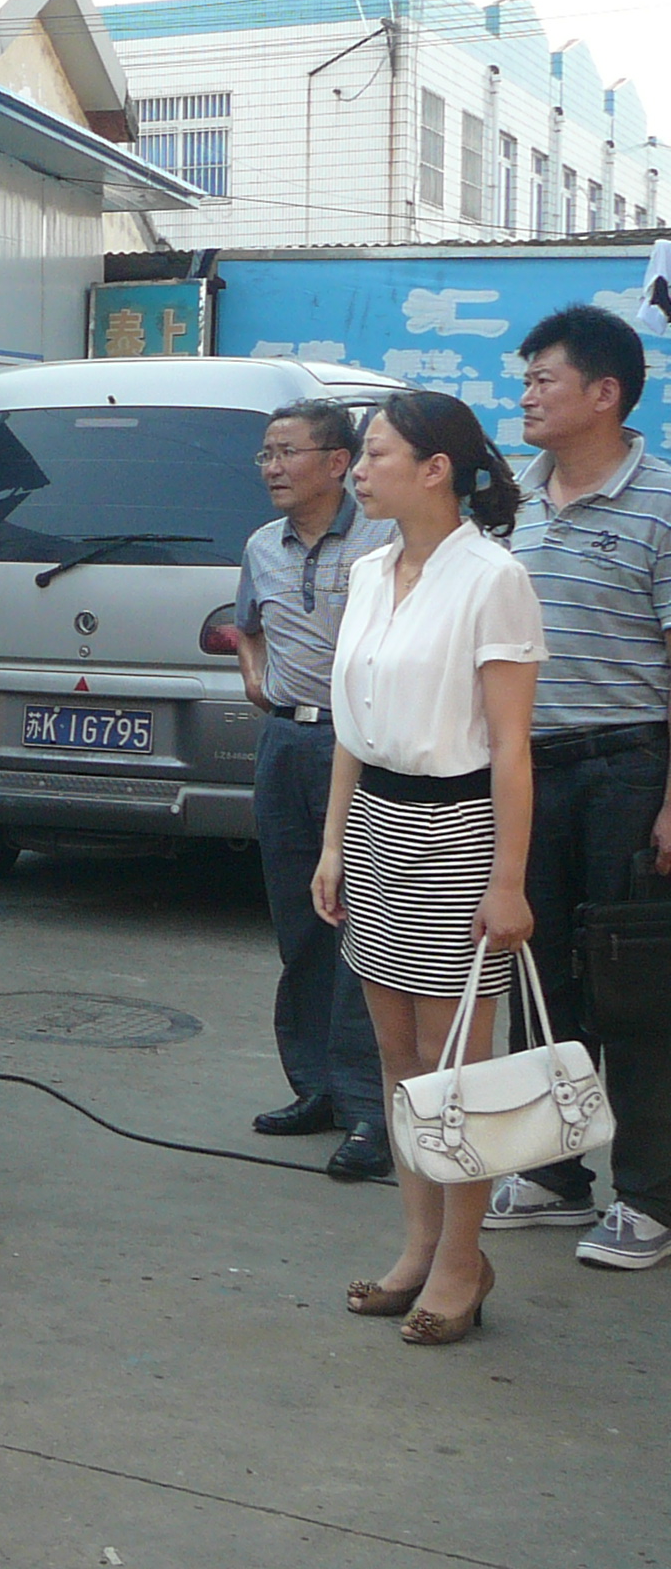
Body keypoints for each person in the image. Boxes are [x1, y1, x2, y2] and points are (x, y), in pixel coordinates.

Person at [316, 392, 544, 1344]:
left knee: (460, 1068)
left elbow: (511, 746)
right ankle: (417, 1246)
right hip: (375, 822)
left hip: (456, 830)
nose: (359, 471)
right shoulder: (370, 570)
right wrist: (334, 842)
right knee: (400, 1060)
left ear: (436, 468)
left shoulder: (493, 578)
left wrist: (508, 880)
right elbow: (352, 722)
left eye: (376, 454)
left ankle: (462, 1261)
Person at [490, 305, 671, 1272]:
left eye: (542, 379)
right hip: (527, 770)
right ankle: (553, 1174)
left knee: (633, 987)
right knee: (537, 977)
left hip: (628, 770)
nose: (525, 395)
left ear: (605, 393)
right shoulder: (508, 503)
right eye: (524, 379)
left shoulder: (664, 503)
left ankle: (649, 1196)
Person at [234, 400, 396, 1180]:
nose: (272, 467)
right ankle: (317, 1087)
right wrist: (256, 678)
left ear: (338, 462)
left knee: (361, 928)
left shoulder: (384, 540)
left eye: (287, 452)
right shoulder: (261, 546)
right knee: (300, 924)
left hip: (357, 745)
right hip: (285, 743)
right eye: (265, 453)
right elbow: (247, 626)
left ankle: (371, 1109)